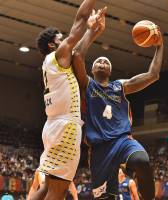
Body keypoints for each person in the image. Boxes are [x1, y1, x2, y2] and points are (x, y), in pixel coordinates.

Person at [72, 15, 164, 200]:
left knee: (142, 160)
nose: (102, 62)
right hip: (99, 149)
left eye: (106, 62)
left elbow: (153, 74)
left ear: (111, 71)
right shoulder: (87, 85)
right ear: (92, 69)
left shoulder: (120, 86)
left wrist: (159, 45)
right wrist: (92, 30)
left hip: (122, 141)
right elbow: (77, 55)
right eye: (98, 61)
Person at [28, 1, 106, 200]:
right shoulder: (58, 55)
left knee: (46, 188)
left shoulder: (52, 63)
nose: (66, 42)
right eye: (61, 39)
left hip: (53, 126)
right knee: (57, 191)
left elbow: (78, 50)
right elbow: (79, 21)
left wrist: (93, 31)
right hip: (66, 127)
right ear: (52, 44)